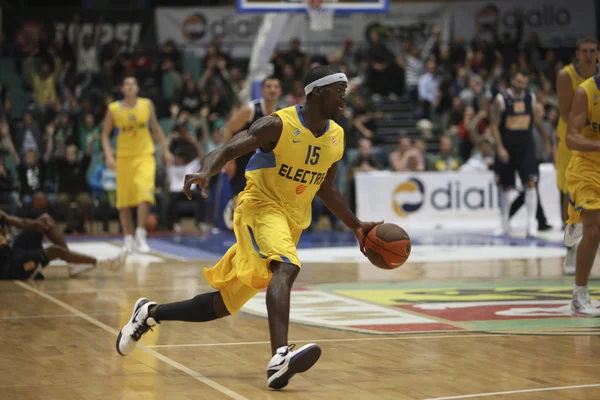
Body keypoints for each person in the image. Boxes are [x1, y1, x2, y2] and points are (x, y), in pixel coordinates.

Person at [115, 66, 381, 389]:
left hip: (290, 221)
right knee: (287, 266)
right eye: (338, 89)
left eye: (345, 89)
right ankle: (279, 357)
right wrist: (205, 171)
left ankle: (149, 313)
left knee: (223, 304)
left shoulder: (336, 137)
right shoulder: (279, 125)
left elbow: (327, 188)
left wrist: (356, 226)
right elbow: (228, 147)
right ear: (316, 92)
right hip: (258, 208)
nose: (345, 95)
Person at [101, 76, 174, 253]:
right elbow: (104, 135)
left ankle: (140, 234)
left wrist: (165, 150)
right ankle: (127, 238)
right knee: (123, 201)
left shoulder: (147, 105)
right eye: (127, 84)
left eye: (133, 83)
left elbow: (156, 128)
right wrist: (109, 156)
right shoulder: (114, 109)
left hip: (145, 155)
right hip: (124, 158)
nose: (131, 86)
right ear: (122, 90)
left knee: (145, 193)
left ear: (137, 87)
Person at [490, 71, 551, 238]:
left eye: (524, 82)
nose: (521, 84)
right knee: (506, 187)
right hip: (507, 148)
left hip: (526, 147)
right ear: (512, 80)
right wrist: (500, 147)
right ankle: (504, 223)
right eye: (518, 81)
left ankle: (532, 224)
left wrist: (547, 140)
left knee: (531, 183)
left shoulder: (530, 98)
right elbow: (494, 125)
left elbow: (537, 121)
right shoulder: (501, 99)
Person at [556, 37, 598, 274]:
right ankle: (570, 248)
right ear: (578, 53)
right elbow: (565, 113)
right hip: (571, 138)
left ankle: (588, 240)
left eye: (593, 51)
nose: (589, 55)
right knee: (569, 189)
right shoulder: (567, 76)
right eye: (585, 51)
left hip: (595, 139)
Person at [563, 69, 600, 316]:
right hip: (586, 165)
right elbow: (571, 138)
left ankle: (574, 218)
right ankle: (579, 295)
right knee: (595, 227)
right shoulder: (585, 91)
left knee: (589, 226)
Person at [0, 211, 126, 280]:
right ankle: (102, 263)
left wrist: (37, 224)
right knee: (55, 251)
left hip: (12, 253)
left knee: (45, 219)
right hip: (9, 268)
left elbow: (21, 222)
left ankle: (71, 263)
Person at [222, 76, 282, 207]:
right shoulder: (250, 110)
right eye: (269, 86)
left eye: (276, 87)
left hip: (265, 160)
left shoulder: (282, 112)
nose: (272, 90)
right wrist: (229, 160)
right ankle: (235, 219)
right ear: (261, 90)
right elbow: (228, 129)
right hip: (243, 158)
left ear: (280, 91)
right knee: (242, 200)